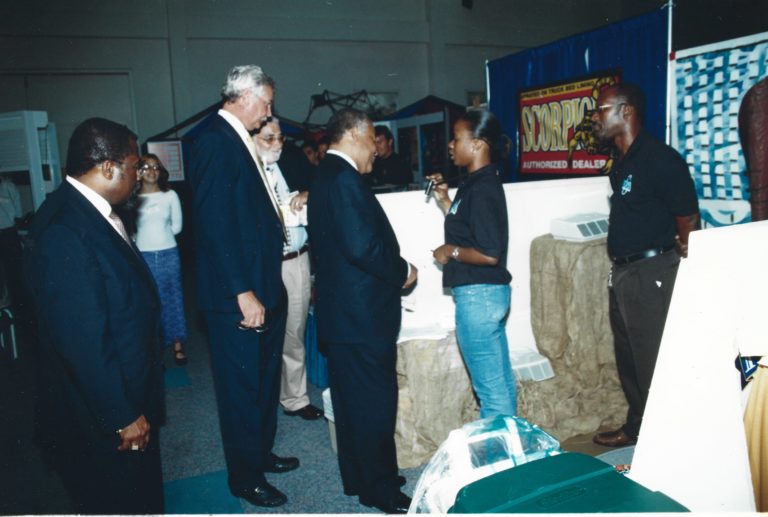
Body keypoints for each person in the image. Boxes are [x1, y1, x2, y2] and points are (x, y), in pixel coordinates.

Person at [23, 118, 164, 513]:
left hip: (124, 389)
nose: (139, 175)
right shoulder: (65, 229)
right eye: (134, 165)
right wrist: (122, 414)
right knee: (120, 499)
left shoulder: (91, 211)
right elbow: (81, 339)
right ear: (108, 168)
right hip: (104, 416)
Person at [187, 64, 296, 508]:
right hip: (239, 295)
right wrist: (242, 292)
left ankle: (260, 453)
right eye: (266, 102)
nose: (269, 111)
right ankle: (244, 477)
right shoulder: (213, 140)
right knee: (241, 389)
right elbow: (213, 226)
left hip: (261, 284)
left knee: (264, 381)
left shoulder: (235, 138)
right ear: (244, 96)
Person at [308, 108, 417, 514]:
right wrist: (403, 270)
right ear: (354, 134)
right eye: (373, 139)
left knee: (354, 404)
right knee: (373, 405)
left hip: (343, 317)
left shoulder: (325, 175)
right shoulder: (345, 179)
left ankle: (361, 476)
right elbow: (363, 247)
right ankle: (381, 489)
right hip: (362, 317)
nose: (376, 148)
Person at [590, 83, 700, 447]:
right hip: (624, 274)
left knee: (654, 363)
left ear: (626, 111)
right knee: (630, 362)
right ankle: (638, 429)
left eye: (600, 109)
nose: (594, 116)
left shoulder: (659, 159)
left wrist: (675, 270)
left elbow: (688, 220)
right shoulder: (623, 162)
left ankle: (669, 444)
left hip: (652, 274)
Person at [427, 109, 517, 419]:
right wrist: (444, 201)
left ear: (478, 144)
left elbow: (489, 252)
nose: (451, 145)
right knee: (498, 383)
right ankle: (509, 448)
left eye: (457, 139)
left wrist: (450, 251)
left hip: (479, 296)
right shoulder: (477, 183)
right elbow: (472, 227)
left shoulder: (483, 188)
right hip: (484, 294)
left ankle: (500, 459)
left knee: (490, 391)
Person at [252, 118, 322, 421]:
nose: (277, 144)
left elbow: (319, 185)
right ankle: (262, 399)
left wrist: (308, 194)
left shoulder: (291, 160)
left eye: (280, 138)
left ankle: (294, 398)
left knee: (295, 331)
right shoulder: (245, 172)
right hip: (264, 265)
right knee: (261, 335)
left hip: (296, 259)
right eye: (269, 139)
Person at [134, 153, 189, 366]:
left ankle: (178, 345)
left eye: (155, 167)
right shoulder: (132, 197)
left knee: (173, 298)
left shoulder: (170, 196)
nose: (151, 171)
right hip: (143, 256)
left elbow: (177, 227)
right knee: (149, 302)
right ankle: (155, 347)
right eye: (146, 167)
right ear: (138, 172)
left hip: (168, 254)